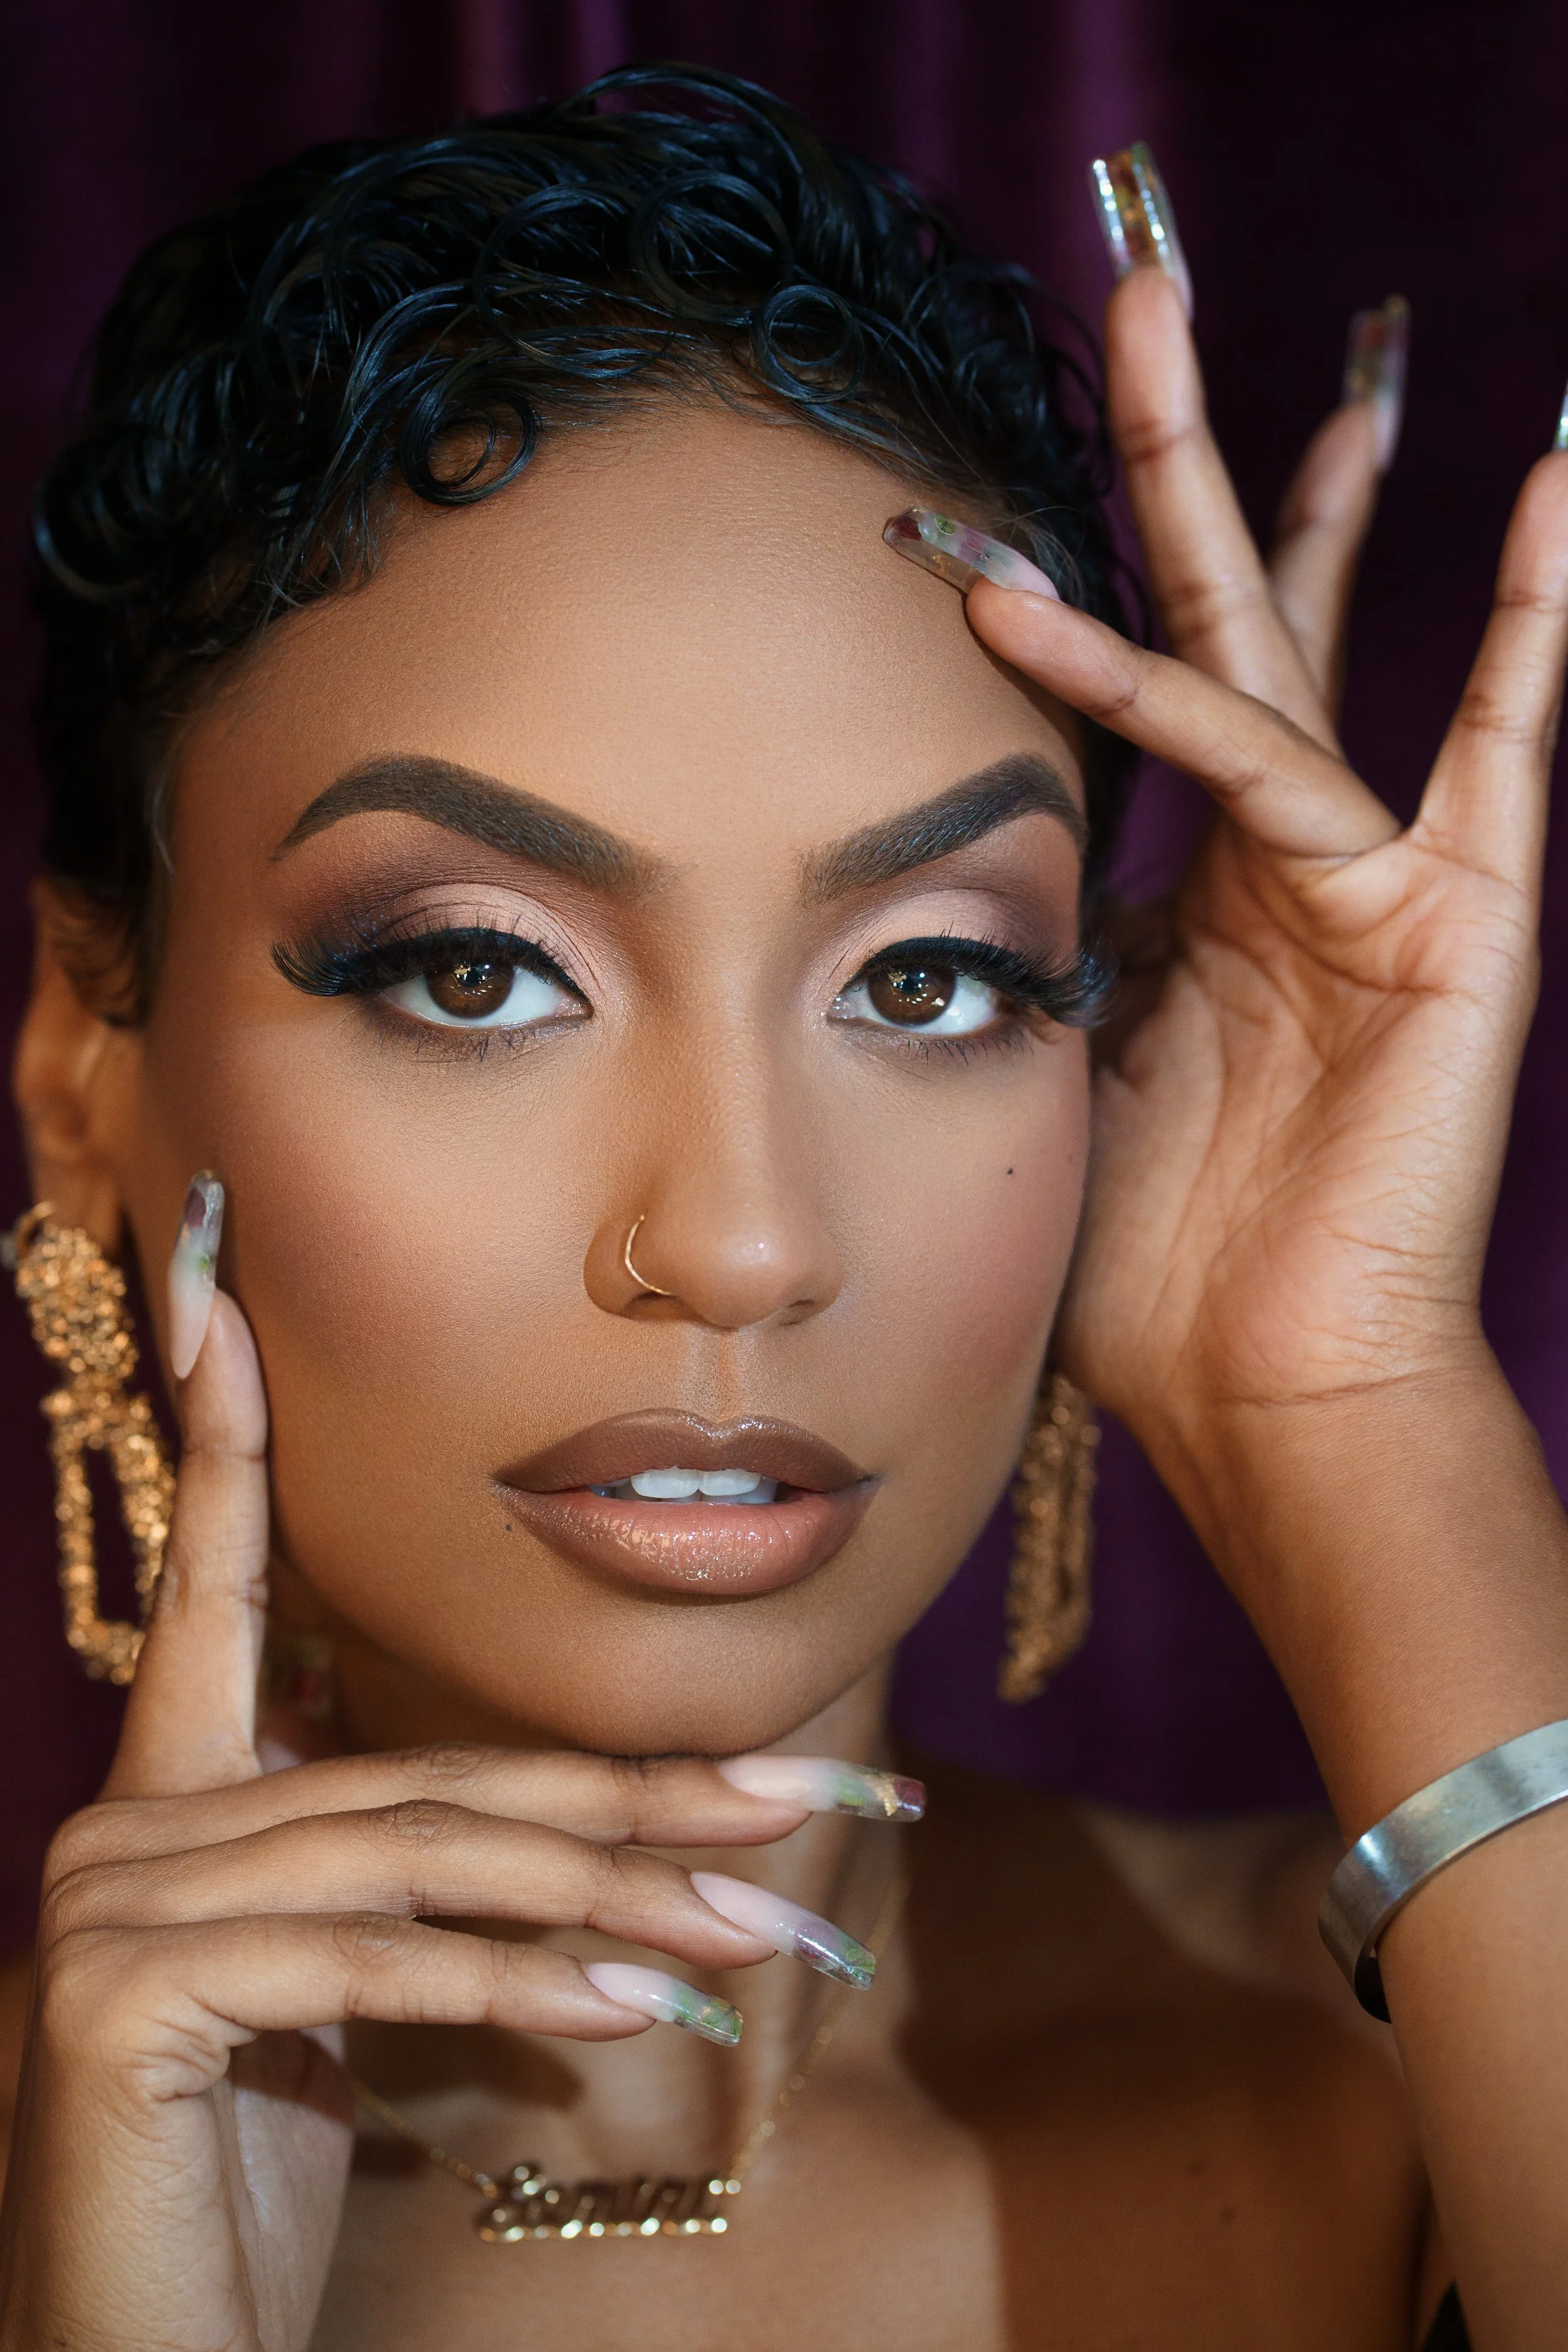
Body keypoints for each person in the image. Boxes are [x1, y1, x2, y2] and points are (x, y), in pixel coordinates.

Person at [0, 62, 1563, 2351]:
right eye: (476, 969)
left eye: (926, 977)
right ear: (86, 1074)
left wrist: (1348, 1399)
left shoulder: (1439, 2079)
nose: (739, 1244)